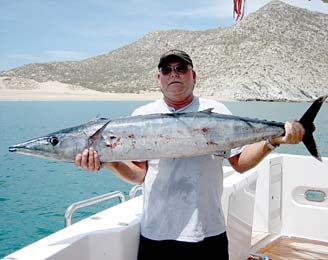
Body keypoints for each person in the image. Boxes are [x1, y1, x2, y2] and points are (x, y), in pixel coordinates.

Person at [75, 50, 305, 260]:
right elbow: (138, 176)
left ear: (193, 76)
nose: (174, 74)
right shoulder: (141, 116)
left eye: (181, 68)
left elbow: (240, 164)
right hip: (156, 232)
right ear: (159, 79)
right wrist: (108, 161)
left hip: (208, 231)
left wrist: (273, 140)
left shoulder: (216, 111)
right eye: (167, 70)